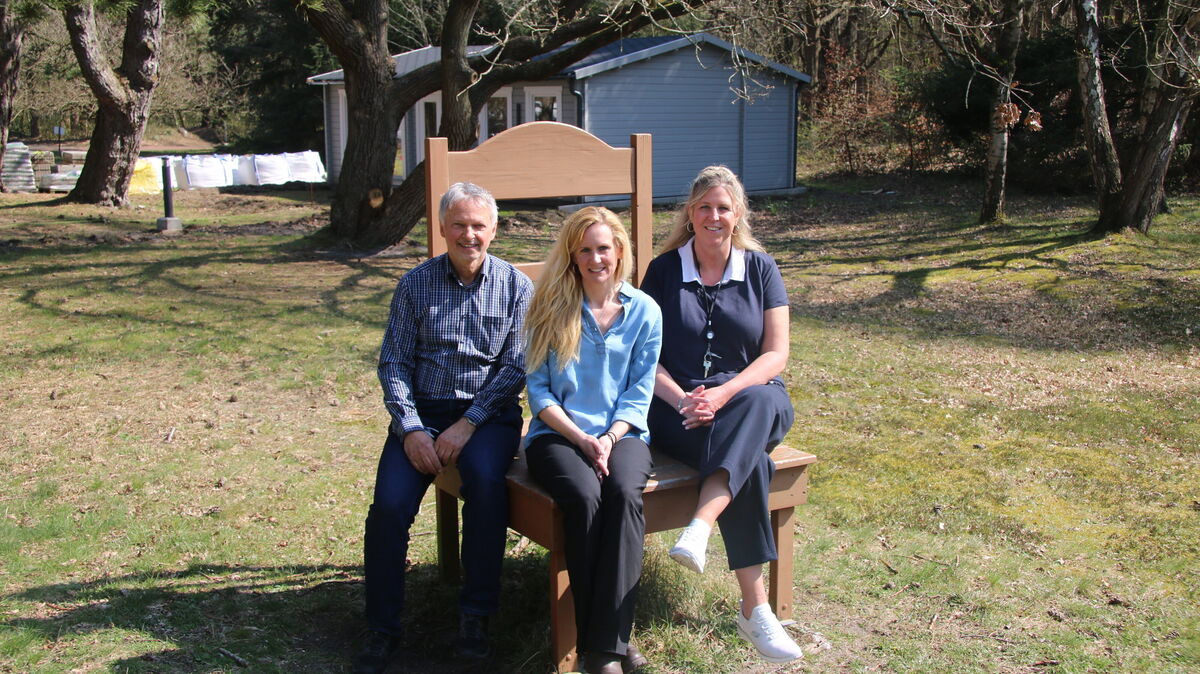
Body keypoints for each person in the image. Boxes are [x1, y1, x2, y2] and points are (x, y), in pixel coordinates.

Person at [355, 182, 533, 674]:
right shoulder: (415, 284)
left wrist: (468, 424)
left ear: (493, 230)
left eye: (479, 225)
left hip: (488, 416)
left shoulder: (517, 287)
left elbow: (515, 367)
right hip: (422, 414)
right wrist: (411, 428)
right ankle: (382, 627)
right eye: (459, 224)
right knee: (388, 508)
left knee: (484, 485)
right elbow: (393, 363)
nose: (469, 235)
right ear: (441, 228)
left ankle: (476, 615)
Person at [640, 166, 803, 664]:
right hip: (679, 409)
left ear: (738, 216)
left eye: (724, 208)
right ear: (690, 213)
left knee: (761, 400)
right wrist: (683, 399)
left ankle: (702, 524)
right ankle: (755, 610)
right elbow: (645, 355)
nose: (714, 216)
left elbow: (776, 355)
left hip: (747, 399)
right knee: (752, 461)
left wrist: (723, 393)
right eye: (705, 207)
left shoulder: (761, 268)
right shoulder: (664, 270)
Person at [523, 207, 662, 674]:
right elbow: (539, 393)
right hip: (558, 435)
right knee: (584, 496)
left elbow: (640, 391)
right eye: (585, 250)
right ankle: (610, 645)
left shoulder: (645, 311)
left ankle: (603, 648)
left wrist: (609, 436)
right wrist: (582, 437)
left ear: (619, 250)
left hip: (624, 434)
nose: (596, 258)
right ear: (572, 255)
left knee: (623, 492)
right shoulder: (550, 305)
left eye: (604, 248)